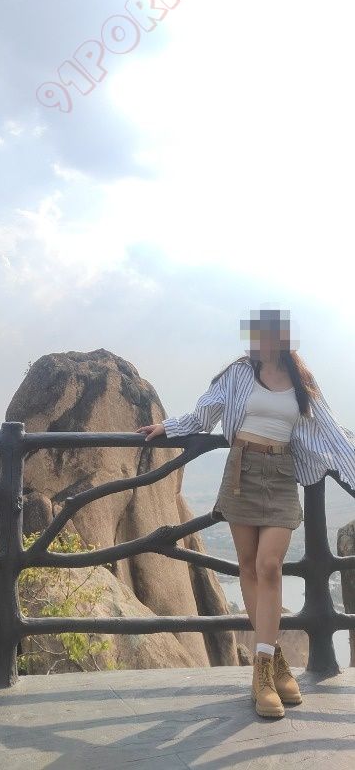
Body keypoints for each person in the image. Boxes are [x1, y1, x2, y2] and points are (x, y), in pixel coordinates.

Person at [135, 307, 355, 719]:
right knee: (249, 568)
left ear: (280, 338)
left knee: (270, 566)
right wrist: (169, 426)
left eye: (261, 334)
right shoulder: (238, 374)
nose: (254, 342)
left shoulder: (301, 381)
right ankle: (270, 667)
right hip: (242, 470)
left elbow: (331, 431)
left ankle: (265, 667)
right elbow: (205, 413)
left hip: (282, 473)